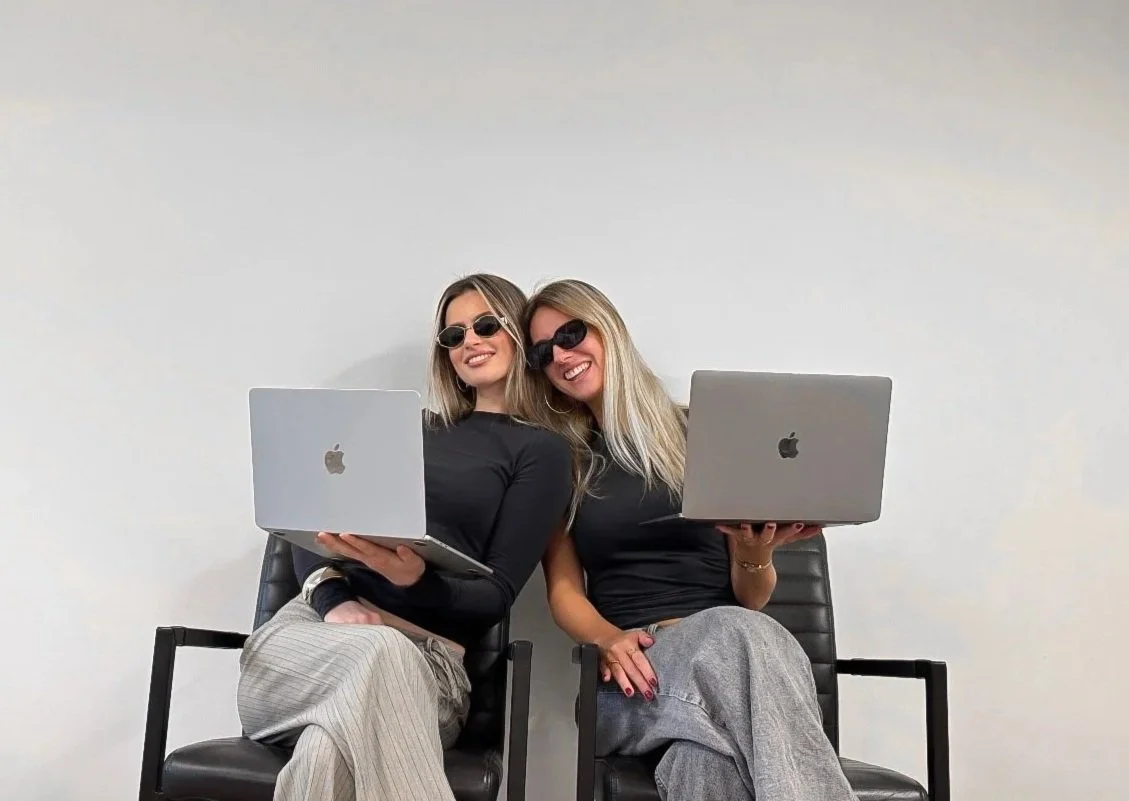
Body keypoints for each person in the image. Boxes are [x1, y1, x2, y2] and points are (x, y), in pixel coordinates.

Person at [236, 273, 573, 801]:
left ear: (517, 332)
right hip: (308, 641)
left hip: (423, 667)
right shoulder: (407, 428)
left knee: (328, 746)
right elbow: (312, 531)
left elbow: (495, 595)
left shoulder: (542, 454)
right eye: (453, 335)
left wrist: (414, 579)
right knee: (374, 650)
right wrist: (332, 599)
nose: (470, 342)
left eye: (485, 325)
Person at [524, 278, 858, 801]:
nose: (562, 355)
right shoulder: (560, 460)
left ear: (607, 326)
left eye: (570, 333)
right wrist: (607, 640)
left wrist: (754, 554)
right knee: (743, 631)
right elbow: (564, 592)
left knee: (702, 767)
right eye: (544, 352)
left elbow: (753, 596)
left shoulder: (703, 434)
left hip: (734, 658)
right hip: (634, 676)